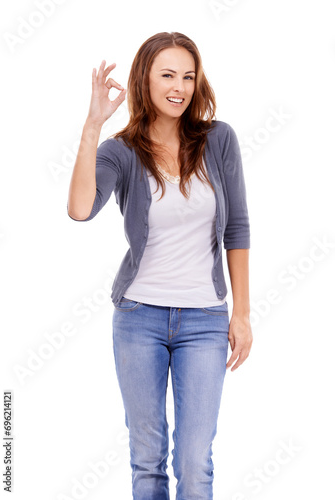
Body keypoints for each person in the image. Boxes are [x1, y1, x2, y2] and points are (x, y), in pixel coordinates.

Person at [67, 31, 253, 500]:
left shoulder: (218, 139)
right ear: (144, 80)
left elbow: (238, 229)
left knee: (195, 463)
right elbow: (79, 209)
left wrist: (243, 313)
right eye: (167, 74)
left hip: (205, 320)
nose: (180, 87)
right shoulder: (121, 151)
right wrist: (92, 127)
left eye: (188, 76)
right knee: (147, 461)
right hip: (138, 319)